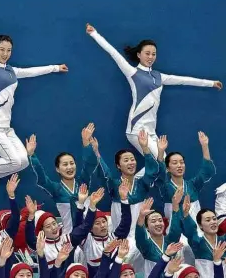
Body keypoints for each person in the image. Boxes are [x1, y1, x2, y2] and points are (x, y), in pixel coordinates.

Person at [0, 6, 68, 194]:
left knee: (23, 160)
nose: (6, 53)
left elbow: (32, 71)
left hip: (6, 128)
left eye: (9, 50)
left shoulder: (12, 71)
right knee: (15, 161)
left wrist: (55, 68)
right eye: (2, 49)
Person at [86, 23, 222, 175]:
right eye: (147, 53)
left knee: (162, 166)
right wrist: (94, 33)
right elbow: (113, 52)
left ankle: (129, 187)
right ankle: (128, 189)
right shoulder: (132, 72)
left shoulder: (159, 76)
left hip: (151, 131)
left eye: (153, 54)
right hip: (136, 130)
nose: (150, 57)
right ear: (139, 54)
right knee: (161, 163)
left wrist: (211, 83)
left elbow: (185, 79)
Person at [25, 125, 99, 234]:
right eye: (65, 164)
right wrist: (32, 155)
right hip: (70, 236)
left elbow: (90, 164)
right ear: (58, 169)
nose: (69, 167)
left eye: (72, 163)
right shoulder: (56, 188)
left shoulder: (82, 182)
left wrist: (86, 143)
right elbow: (42, 179)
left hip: (90, 235)